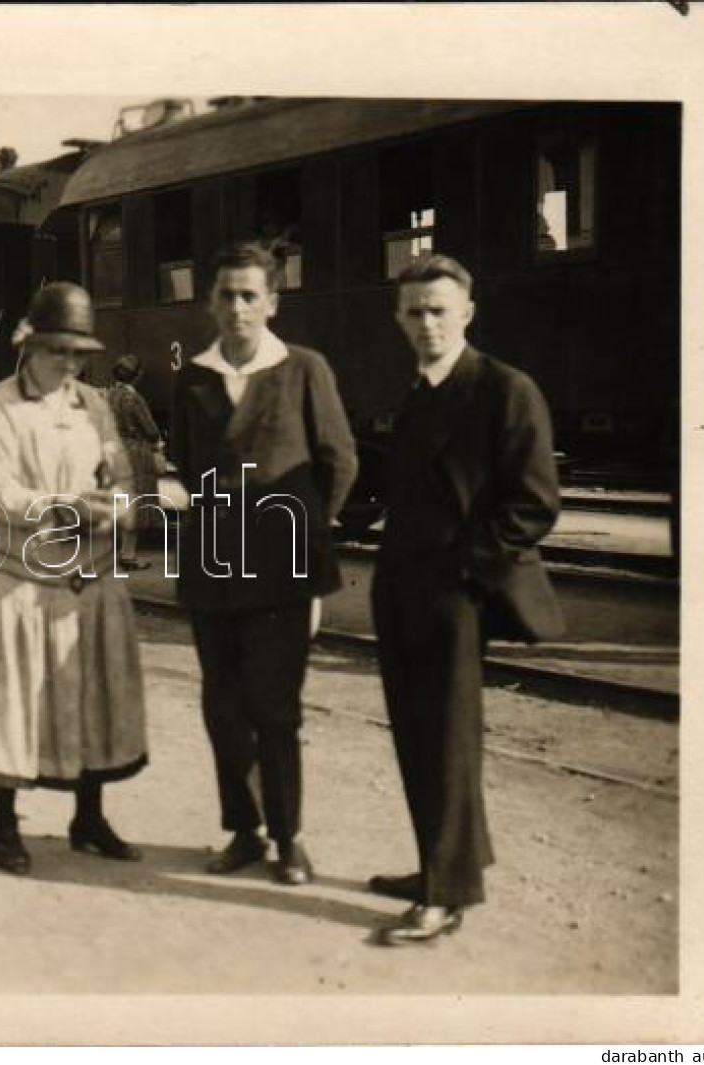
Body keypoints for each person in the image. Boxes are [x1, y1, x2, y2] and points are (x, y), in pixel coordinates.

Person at [369, 254, 562, 945]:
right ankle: (438, 865)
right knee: (418, 734)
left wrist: (466, 574)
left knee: (445, 739)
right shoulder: (419, 390)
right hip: (402, 591)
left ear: (466, 314)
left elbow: (535, 502)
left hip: (454, 594)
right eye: (414, 312)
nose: (426, 323)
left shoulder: (504, 389)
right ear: (399, 319)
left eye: (438, 310)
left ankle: (444, 894)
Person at [169, 243, 357, 887]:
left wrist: (301, 535)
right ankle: (244, 832)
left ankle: (288, 838)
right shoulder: (192, 377)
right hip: (212, 571)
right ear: (210, 302)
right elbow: (189, 467)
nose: (237, 308)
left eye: (251, 295)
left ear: (273, 302)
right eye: (226, 295)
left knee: (276, 709)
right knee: (222, 706)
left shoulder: (303, 368)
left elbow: (340, 461)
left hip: (283, 574)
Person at [0, 282, 148, 876]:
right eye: (58, 349)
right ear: (29, 346)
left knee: (92, 699)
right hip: (18, 577)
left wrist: (117, 503)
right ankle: (6, 825)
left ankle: (88, 818)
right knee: (11, 704)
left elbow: (117, 475)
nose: (69, 362)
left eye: (78, 351)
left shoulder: (94, 404)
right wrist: (66, 507)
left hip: (86, 579)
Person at [105, 354, 165, 570]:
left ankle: (114, 554)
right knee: (136, 505)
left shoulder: (109, 395)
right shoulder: (134, 399)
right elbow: (150, 429)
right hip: (135, 454)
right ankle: (128, 556)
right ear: (136, 376)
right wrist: (158, 443)